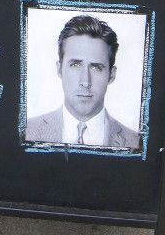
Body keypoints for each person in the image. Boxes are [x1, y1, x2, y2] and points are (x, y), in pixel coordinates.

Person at [26, 15, 140, 149]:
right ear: (59, 69)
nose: (85, 82)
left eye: (96, 67)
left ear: (111, 75)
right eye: (75, 65)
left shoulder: (135, 142)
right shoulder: (27, 132)